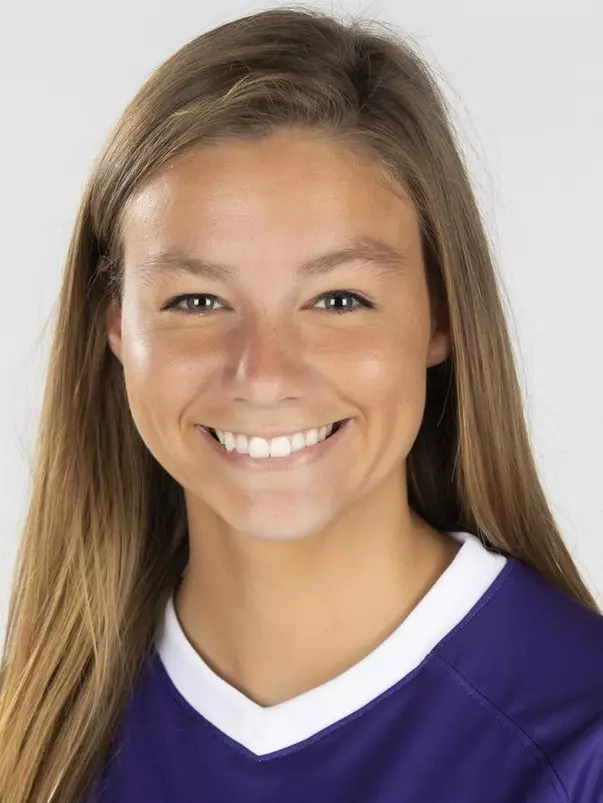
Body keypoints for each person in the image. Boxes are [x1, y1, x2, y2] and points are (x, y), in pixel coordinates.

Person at [0, 6, 601, 803]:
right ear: (115, 324)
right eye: (196, 300)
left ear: (440, 314)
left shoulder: (578, 744)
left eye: (339, 298)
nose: (263, 371)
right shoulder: (39, 729)